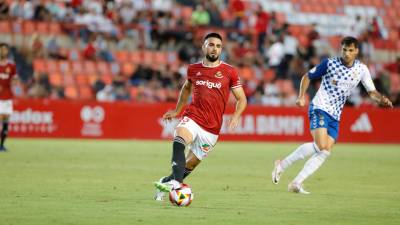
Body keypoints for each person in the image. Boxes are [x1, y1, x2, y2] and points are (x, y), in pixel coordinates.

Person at [271, 36, 393, 194]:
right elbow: (307, 77)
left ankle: (295, 182)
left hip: (335, 115)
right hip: (320, 107)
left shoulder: (362, 69)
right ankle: (283, 166)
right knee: (321, 145)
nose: (347, 53)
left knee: (325, 150)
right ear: (340, 49)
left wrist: (381, 99)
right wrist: (301, 96)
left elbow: (371, 92)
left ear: (356, 51)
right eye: (344, 50)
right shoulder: (329, 64)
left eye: (350, 50)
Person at [153, 33, 247, 200]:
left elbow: (242, 99)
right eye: (211, 45)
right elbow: (186, 88)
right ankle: (177, 184)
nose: (214, 49)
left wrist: (236, 116)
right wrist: (177, 110)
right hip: (193, 117)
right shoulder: (193, 69)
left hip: (211, 129)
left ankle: (166, 182)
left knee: (189, 165)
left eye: (218, 46)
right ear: (204, 47)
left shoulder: (229, 72)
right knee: (179, 140)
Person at [0, 43, 18, 151]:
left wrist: (14, 81)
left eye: (5, 50)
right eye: (2, 49)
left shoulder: (11, 65)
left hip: (7, 96)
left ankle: (1, 145)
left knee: (6, 121)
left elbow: (15, 79)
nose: (3, 51)